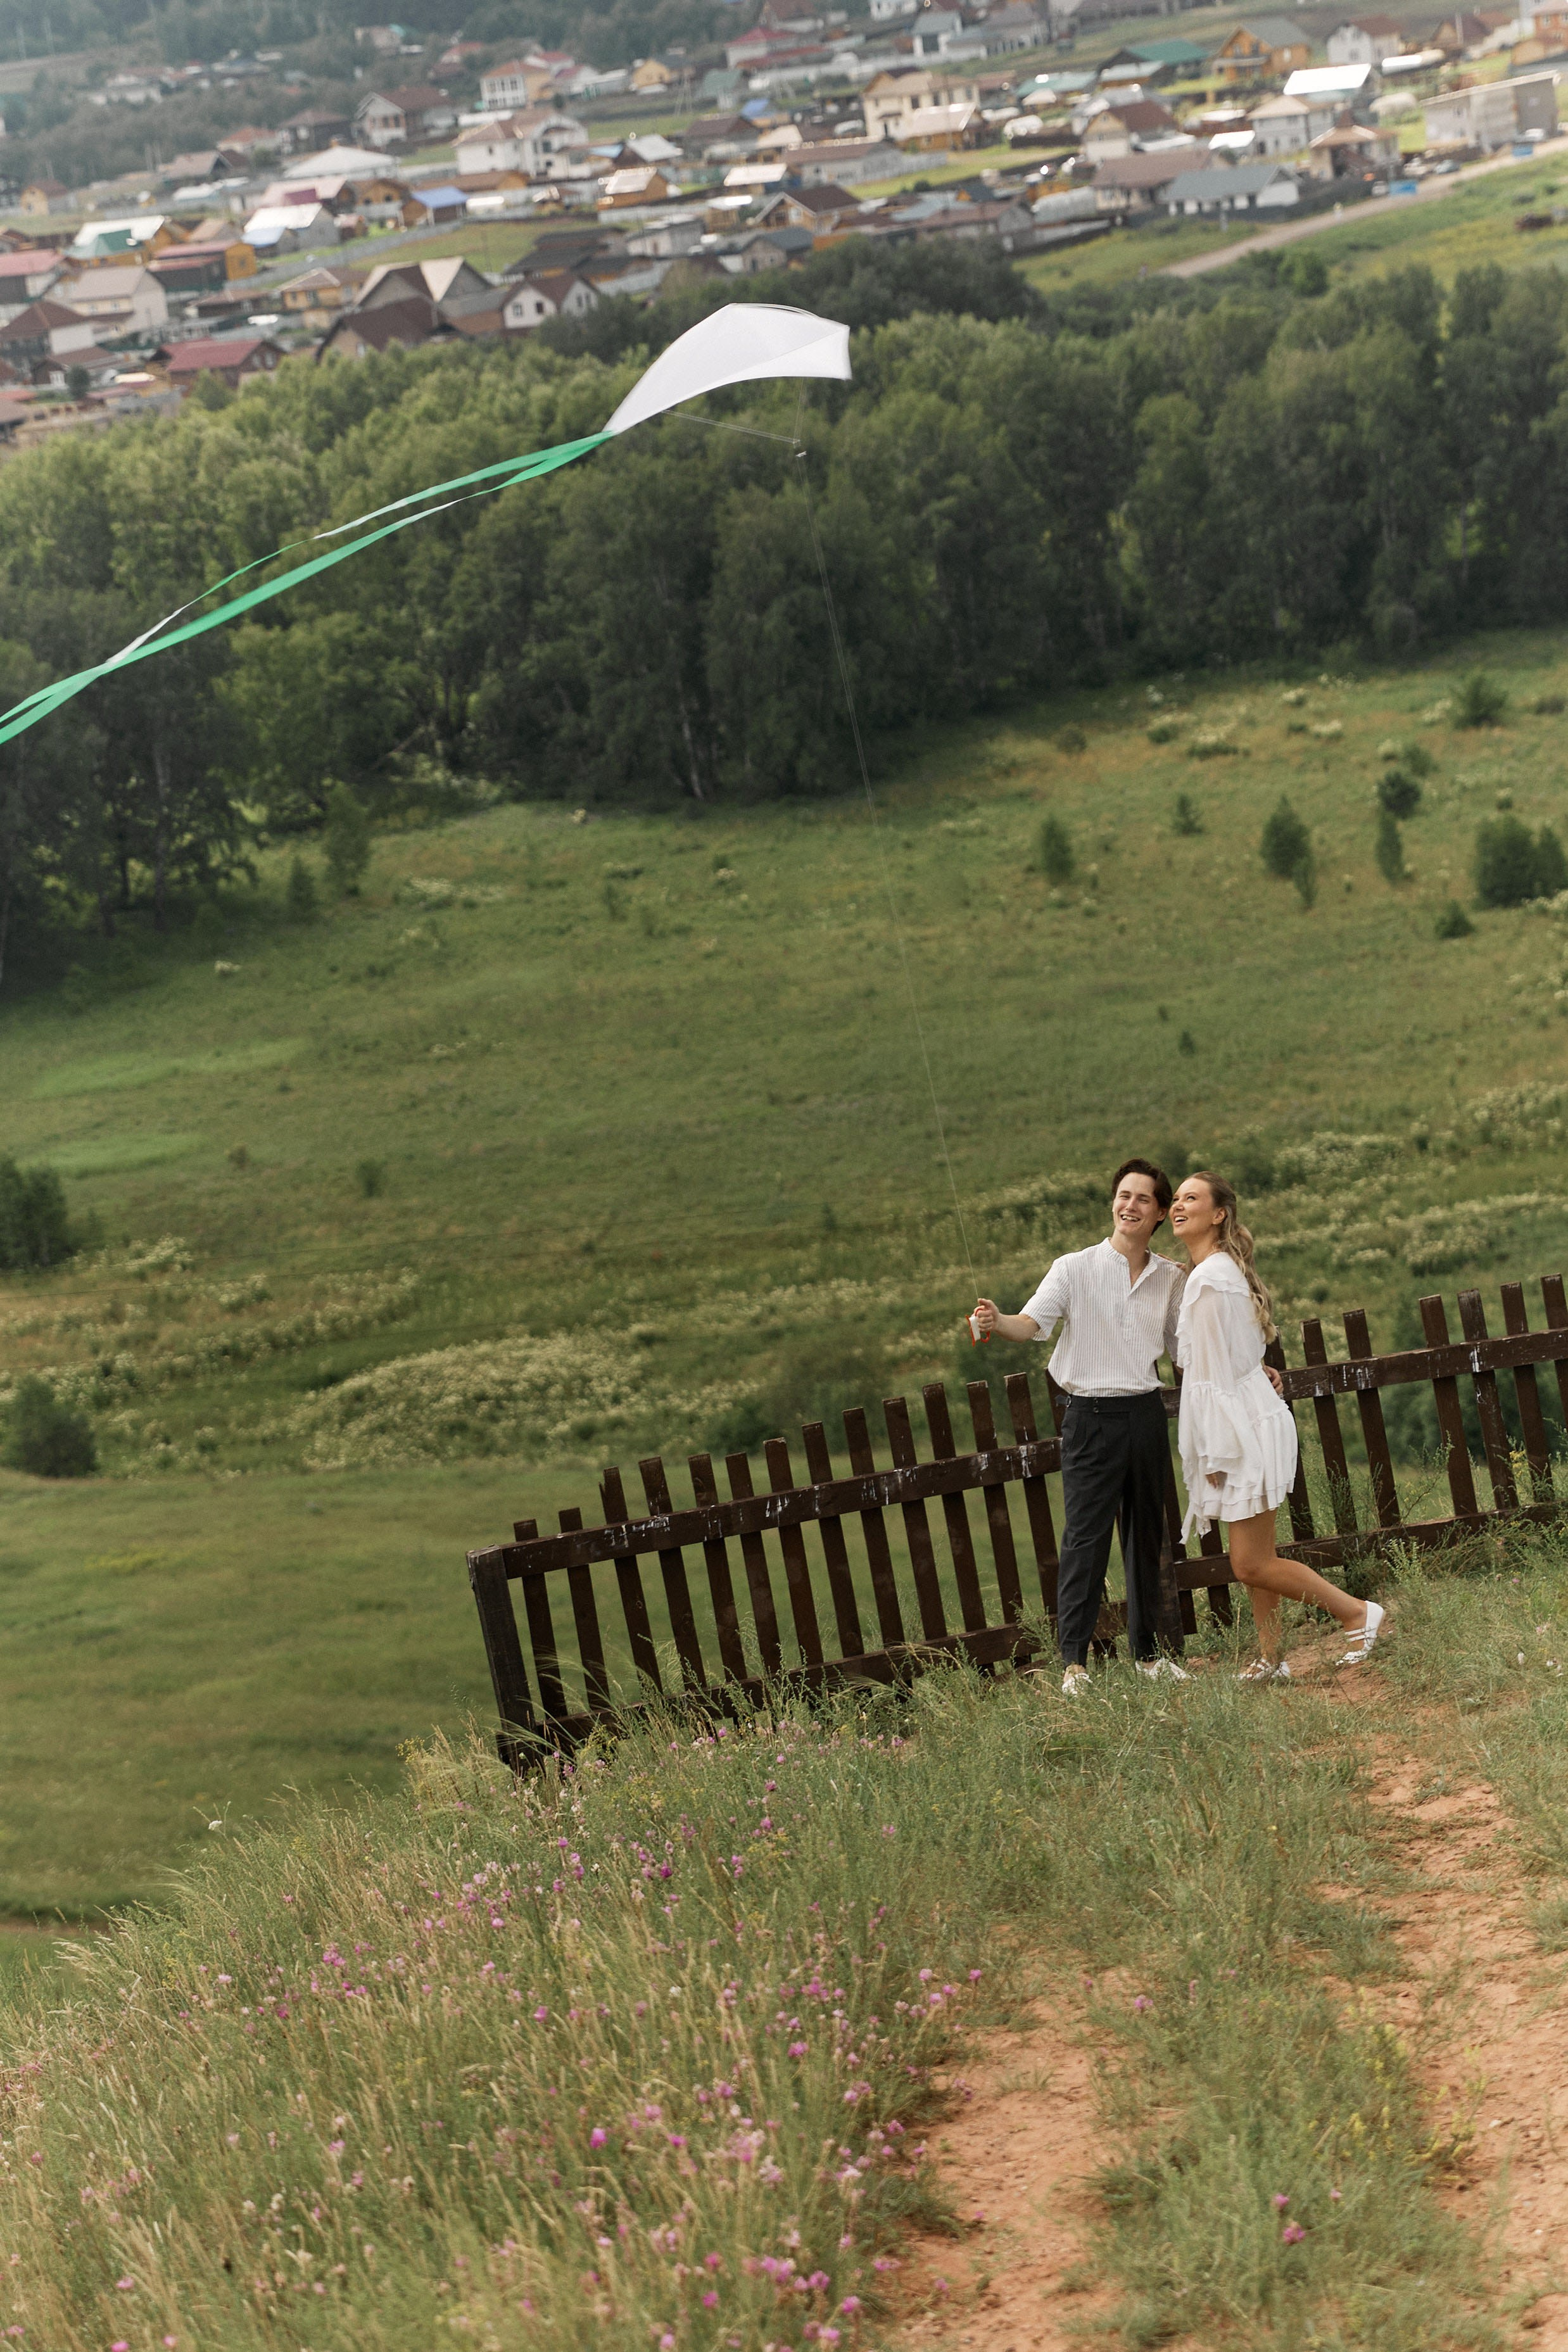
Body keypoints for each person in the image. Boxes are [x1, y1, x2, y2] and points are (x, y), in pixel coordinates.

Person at [971, 1159, 1189, 1697]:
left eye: (1143, 1199)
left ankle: (1149, 1657)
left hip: (1145, 1414)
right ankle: (1075, 1666)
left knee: (1146, 1536)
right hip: (1090, 1418)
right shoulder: (1074, 1267)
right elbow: (1030, 1324)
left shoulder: (1171, 1277)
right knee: (1085, 1541)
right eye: (1123, 1195)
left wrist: (1251, 1368)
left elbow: (1190, 1348)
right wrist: (997, 1322)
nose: (1129, 1205)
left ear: (1160, 1213)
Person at [1171, 1169, 1382, 1681]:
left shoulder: (1208, 1278)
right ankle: (1272, 1657)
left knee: (1248, 1563)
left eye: (1192, 1198)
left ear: (1218, 1214)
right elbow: (1230, 1362)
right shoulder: (1212, 1271)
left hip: (1240, 1428)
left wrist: (1214, 1452)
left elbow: (1213, 1379)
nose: (1179, 1205)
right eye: (1176, 1198)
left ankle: (1357, 1613)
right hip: (1249, 1418)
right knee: (1255, 1555)